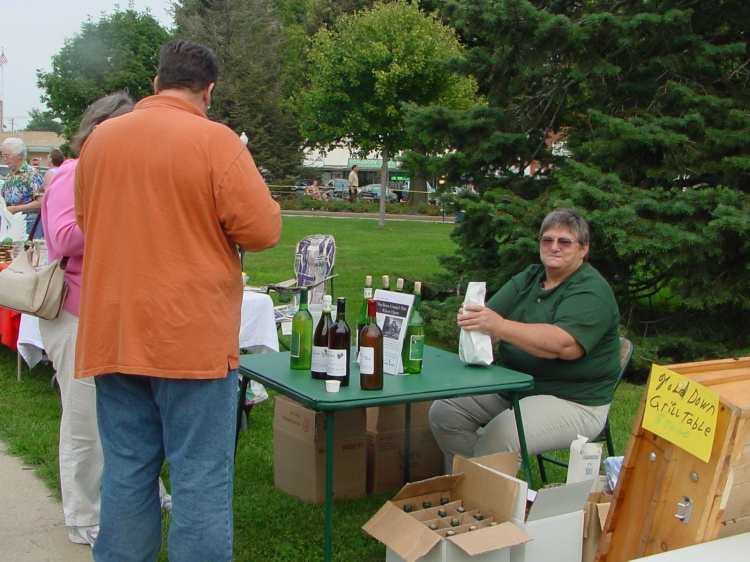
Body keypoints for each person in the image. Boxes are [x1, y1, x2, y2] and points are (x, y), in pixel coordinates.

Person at [75, 39, 282, 562]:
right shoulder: (217, 143)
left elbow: (86, 220)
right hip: (191, 339)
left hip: (115, 333)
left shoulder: (99, 143)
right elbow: (262, 231)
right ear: (208, 90)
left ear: (155, 83)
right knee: (200, 479)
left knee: (126, 470)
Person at [429, 208, 620, 470]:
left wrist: (500, 327)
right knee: (446, 412)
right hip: (516, 383)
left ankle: (484, 497)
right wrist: (475, 319)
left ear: (583, 249)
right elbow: (490, 314)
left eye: (564, 242)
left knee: (502, 436)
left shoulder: (591, 290)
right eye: (547, 240)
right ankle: (470, 482)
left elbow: (563, 346)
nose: (554, 247)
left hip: (573, 399)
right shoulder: (532, 277)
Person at [39, 92, 136, 548]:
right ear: (98, 131)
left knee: (127, 412)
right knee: (83, 420)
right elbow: (61, 238)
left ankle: (141, 490)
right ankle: (83, 513)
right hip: (77, 314)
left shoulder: (128, 177)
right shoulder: (72, 174)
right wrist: (117, 214)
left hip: (118, 313)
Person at [0, 137, 44, 238]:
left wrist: (16, 209)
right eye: (3, 156)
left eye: (7, 156)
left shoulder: (32, 174)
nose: (4, 159)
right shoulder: (10, 175)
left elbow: (41, 202)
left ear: (19, 156)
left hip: (29, 227)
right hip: (12, 226)